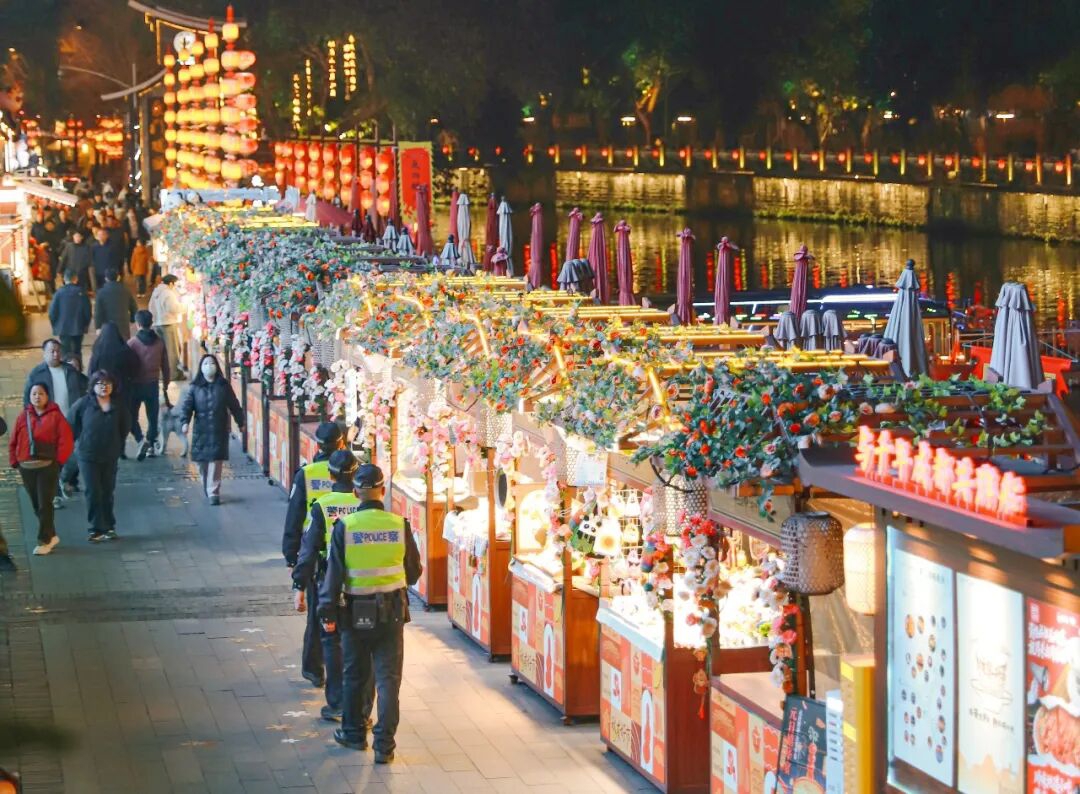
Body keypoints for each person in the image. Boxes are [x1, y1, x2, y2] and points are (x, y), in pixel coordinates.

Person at [318, 463, 421, 759]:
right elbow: (414, 571)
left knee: (354, 674)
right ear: (383, 490)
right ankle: (384, 746)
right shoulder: (399, 525)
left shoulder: (346, 527)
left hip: (356, 612)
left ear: (355, 493)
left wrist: (327, 613)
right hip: (392, 611)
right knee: (388, 679)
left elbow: (333, 577)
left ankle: (353, 734)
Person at [292, 449, 369, 723]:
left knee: (332, 641)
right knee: (362, 645)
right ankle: (361, 709)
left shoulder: (322, 506)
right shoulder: (365, 504)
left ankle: (336, 703)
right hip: (364, 587)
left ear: (331, 475)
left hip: (329, 585)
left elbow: (308, 550)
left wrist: (299, 585)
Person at [282, 421, 346, 687]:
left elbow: (294, 516)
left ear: (317, 445)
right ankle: (339, 667)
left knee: (315, 614)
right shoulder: (351, 470)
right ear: (341, 443)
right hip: (346, 555)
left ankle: (313, 669)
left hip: (314, 554)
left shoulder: (306, 474)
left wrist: (291, 556)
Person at [9, 382, 74, 555]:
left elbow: (66, 440)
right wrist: (14, 460)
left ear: (47, 396)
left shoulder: (56, 416)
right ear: (30, 397)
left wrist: (58, 461)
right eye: (34, 394)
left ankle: (44, 540)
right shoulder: (23, 416)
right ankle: (51, 535)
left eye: (41, 393)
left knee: (45, 503)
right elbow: (14, 440)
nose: (37, 396)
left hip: (47, 466)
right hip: (26, 467)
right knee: (36, 504)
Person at [71, 370, 130, 542]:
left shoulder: (118, 405)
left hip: (109, 455)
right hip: (87, 455)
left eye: (107, 384)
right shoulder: (83, 404)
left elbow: (125, 426)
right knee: (93, 491)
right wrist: (80, 440)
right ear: (93, 385)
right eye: (100, 383)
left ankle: (109, 526)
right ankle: (95, 528)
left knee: (107, 491)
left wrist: (116, 443)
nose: (104, 387)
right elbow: (72, 423)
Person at [178, 354, 243, 505]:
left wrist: (240, 422)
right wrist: (185, 422)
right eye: (206, 363)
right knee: (202, 463)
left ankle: (213, 492)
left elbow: (234, 405)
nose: (209, 366)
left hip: (218, 429)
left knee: (215, 461)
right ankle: (207, 486)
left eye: (212, 363)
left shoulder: (223, 386)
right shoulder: (195, 387)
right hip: (201, 430)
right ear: (201, 367)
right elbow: (187, 406)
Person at [127, 310, 170, 460]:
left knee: (131, 416)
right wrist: (166, 383)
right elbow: (165, 365)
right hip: (153, 384)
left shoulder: (132, 343)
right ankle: (150, 445)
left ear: (137, 324)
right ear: (151, 323)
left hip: (135, 385)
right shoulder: (160, 342)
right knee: (152, 417)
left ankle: (140, 440)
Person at [60, 354, 88, 497]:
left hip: (79, 423)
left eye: (76, 365)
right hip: (64, 420)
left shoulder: (85, 381)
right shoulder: (61, 381)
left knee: (76, 453)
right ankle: (64, 480)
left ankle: (71, 480)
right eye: (70, 365)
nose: (74, 368)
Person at [89, 322, 139, 403]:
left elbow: (91, 371)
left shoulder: (98, 352)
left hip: (103, 389)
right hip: (122, 390)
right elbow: (134, 367)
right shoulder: (124, 350)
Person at [149, 274, 186, 380]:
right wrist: (185, 307)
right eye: (175, 284)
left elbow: (151, 307)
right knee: (172, 351)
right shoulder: (168, 293)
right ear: (171, 283)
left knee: (162, 351)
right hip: (168, 324)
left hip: (157, 324)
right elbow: (173, 308)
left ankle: (163, 373)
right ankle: (173, 374)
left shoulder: (156, 292)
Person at [48, 270, 92, 360]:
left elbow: (52, 312)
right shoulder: (82, 293)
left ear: (64, 280)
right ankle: (77, 366)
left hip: (63, 327)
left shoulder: (59, 293)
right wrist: (86, 324)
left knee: (65, 351)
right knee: (77, 350)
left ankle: (66, 367)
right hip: (78, 326)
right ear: (76, 279)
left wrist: (55, 325)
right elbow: (87, 311)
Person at [94, 269, 137, 340]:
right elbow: (134, 307)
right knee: (124, 344)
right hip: (123, 326)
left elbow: (98, 312)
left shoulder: (101, 292)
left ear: (106, 278)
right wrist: (132, 319)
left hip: (107, 328)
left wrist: (98, 327)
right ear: (118, 277)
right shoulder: (126, 291)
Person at [90, 227, 112, 292]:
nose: (101, 236)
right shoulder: (93, 247)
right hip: (97, 272)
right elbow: (91, 259)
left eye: (103, 234)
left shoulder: (111, 247)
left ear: (107, 236)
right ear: (96, 237)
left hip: (108, 272)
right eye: (99, 235)